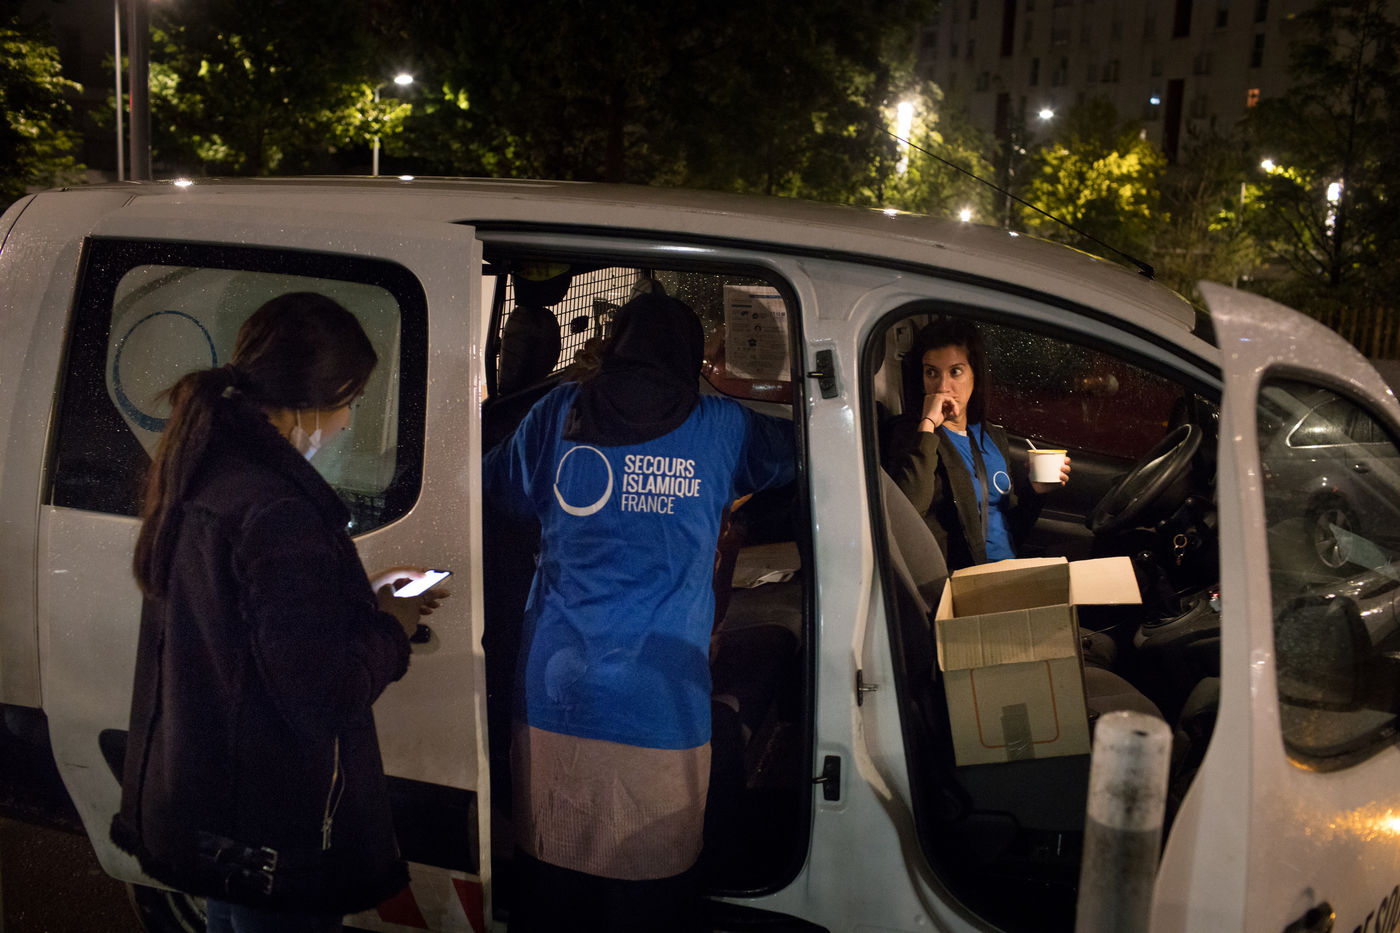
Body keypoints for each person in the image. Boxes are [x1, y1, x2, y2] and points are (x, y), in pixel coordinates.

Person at [111, 292, 448, 933]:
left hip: (222, 812)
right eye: (349, 401)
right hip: (274, 826)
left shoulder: (208, 471)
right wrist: (390, 626)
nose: (345, 423)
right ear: (307, 402)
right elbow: (323, 694)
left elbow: (246, 623)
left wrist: (354, 593)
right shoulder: (278, 510)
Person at [482, 288, 794, 932]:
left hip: (555, 693)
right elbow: (809, 451)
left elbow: (497, 491)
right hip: (659, 700)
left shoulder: (557, 411)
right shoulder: (723, 426)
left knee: (553, 881)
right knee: (648, 886)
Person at [885, 316, 1069, 570]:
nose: (942, 386)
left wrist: (1035, 493)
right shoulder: (913, 434)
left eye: (955, 371)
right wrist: (928, 424)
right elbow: (906, 516)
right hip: (960, 580)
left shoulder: (991, 436)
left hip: (1007, 571)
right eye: (931, 372)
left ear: (975, 374)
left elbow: (1010, 530)